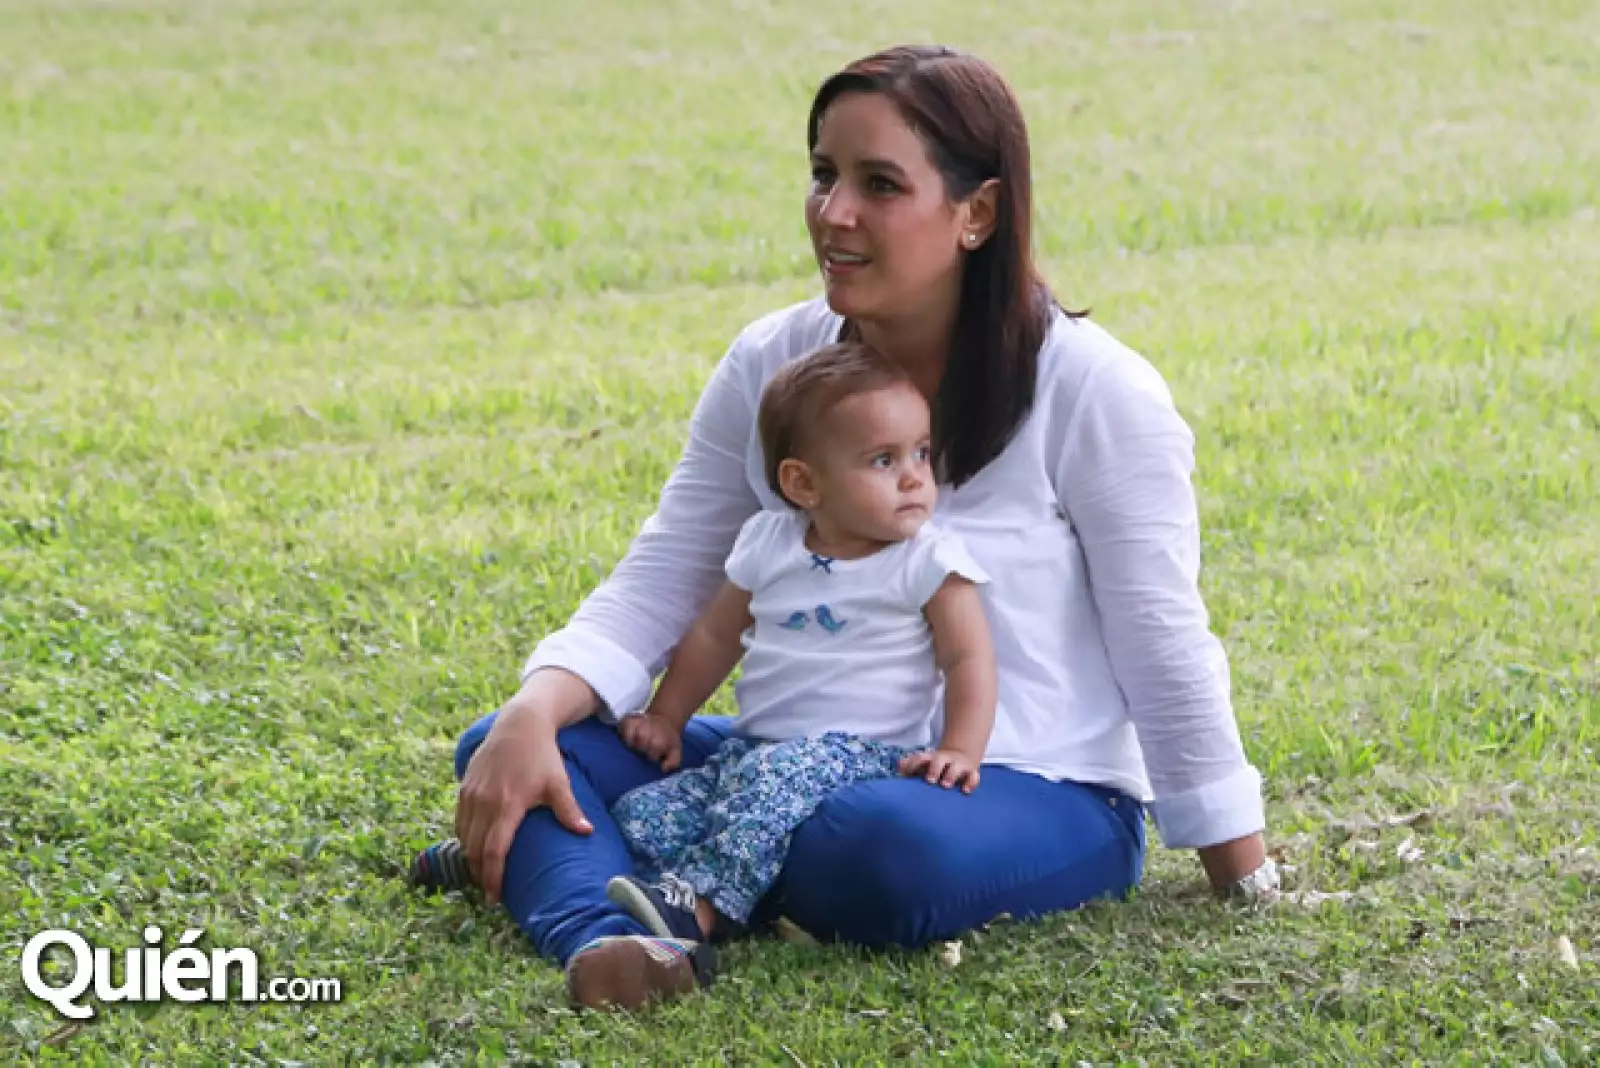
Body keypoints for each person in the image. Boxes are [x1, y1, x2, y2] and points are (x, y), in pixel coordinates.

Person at [424, 43, 1278, 1011]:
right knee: (521, 740)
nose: (833, 213)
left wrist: (1237, 870)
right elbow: (667, 572)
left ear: (977, 213)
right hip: (783, 761)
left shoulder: (1095, 391)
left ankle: (591, 868)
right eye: (823, 174)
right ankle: (620, 945)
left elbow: (1159, 635)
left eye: (879, 184)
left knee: (873, 845)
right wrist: (540, 709)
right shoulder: (773, 362)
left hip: (1028, 787)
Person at [602, 340, 996, 987]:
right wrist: (669, 716)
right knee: (646, 813)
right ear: (803, 482)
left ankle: (692, 917)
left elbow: (970, 658)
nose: (914, 476)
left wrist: (961, 748)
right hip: (752, 751)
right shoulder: (768, 542)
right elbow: (714, 635)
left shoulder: (927, 562)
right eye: (882, 459)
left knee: (772, 789)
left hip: (860, 754)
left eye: (920, 452)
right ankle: (524, 870)